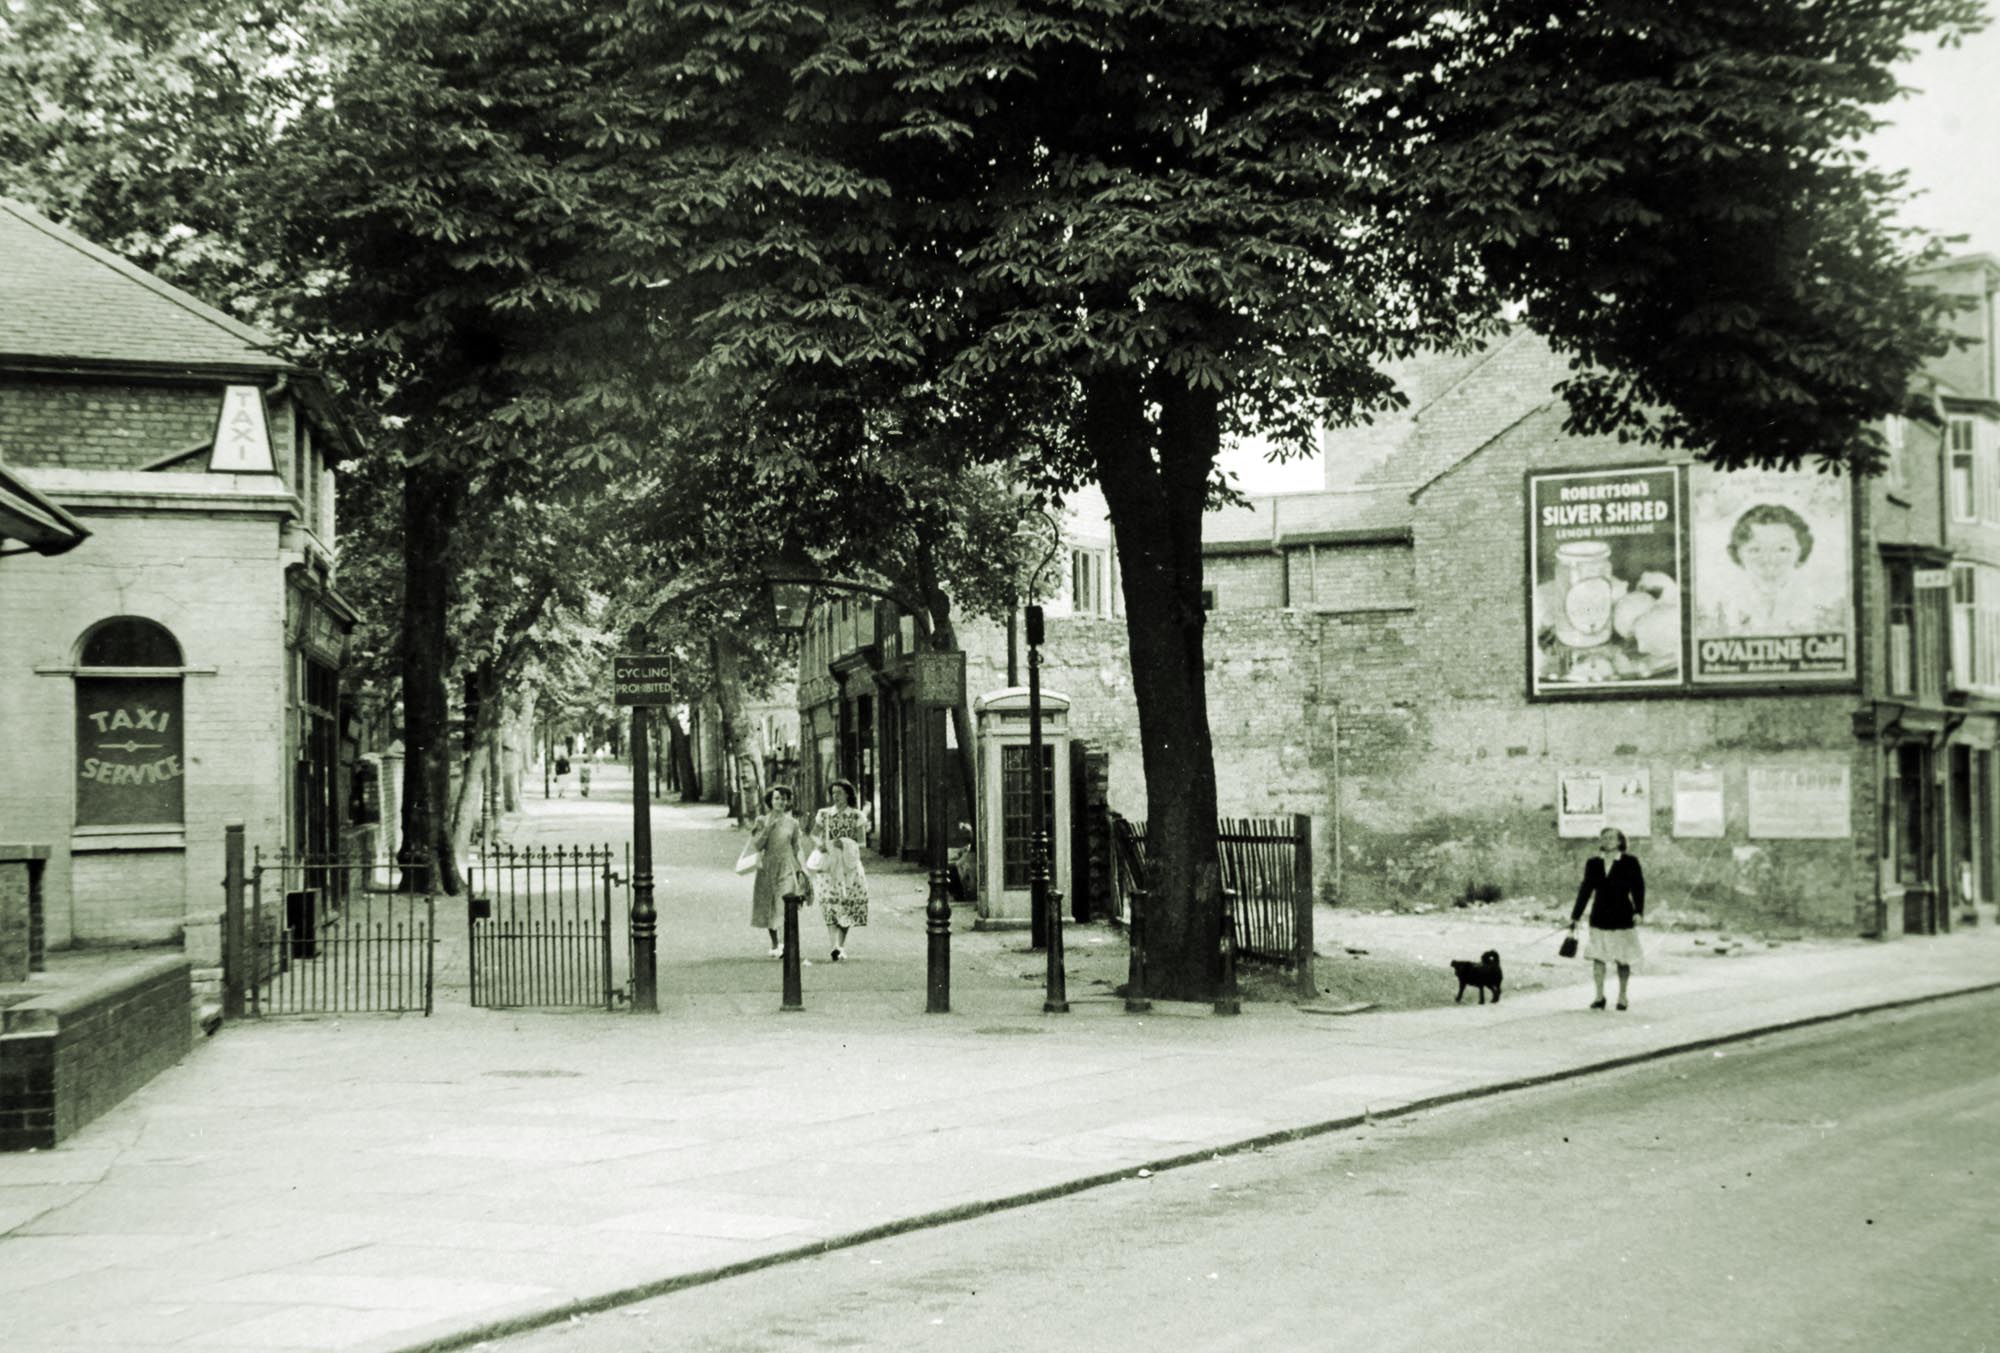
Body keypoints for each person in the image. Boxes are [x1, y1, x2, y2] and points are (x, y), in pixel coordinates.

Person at [1569, 826, 1644, 1010]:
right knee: (1598, 957)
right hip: (1600, 916)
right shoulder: (1593, 863)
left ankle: (1622, 996)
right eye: (1604, 837)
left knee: (1623, 959)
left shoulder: (1630, 862)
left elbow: (1638, 888)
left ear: (1620, 841)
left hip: (1622, 916)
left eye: (1612, 837)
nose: (1607, 840)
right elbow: (1585, 890)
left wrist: (1639, 911)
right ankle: (1599, 996)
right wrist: (1575, 916)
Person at [809, 779, 871, 960]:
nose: (835, 797)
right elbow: (813, 834)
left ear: (848, 795)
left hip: (849, 865)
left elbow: (862, 843)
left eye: (839, 793)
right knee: (830, 903)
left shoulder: (856, 816)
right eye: (833, 793)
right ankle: (833, 945)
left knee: (848, 902)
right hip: (829, 864)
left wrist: (844, 843)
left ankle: (841, 944)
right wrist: (820, 844)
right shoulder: (824, 814)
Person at [749, 786, 809, 957]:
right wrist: (767, 827)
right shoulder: (761, 820)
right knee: (769, 904)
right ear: (770, 801)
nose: (781, 802)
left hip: (788, 866)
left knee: (784, 904)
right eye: (777, 798)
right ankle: (775, 943)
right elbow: (757, 845)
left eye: (784, 799)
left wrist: (803, 867)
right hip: (768, 867)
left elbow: (797, 847)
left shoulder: (793, 823)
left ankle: (784, 944)